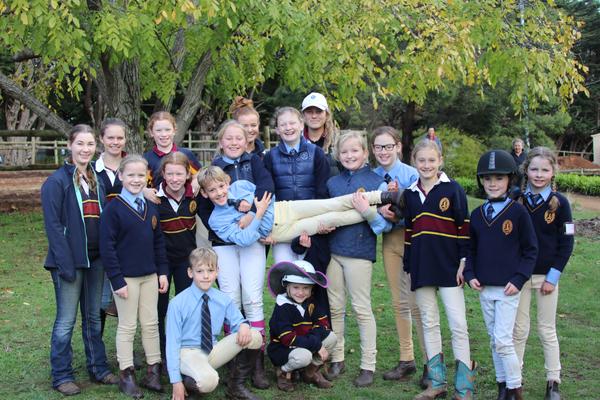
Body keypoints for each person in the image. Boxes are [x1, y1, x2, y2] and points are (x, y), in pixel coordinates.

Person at [41, 124, 119, 396]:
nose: (85, 149)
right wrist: (65, 265)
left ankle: (98, 367)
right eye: (80, 144)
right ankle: (62, 375)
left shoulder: (95, 179)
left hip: (95, 260)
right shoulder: (57, 182)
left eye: (90, 144)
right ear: (70, 145)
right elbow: (53, 226)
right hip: (69, 262)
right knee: (66, 321)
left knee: (93, 318)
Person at [402, 139, 476, 400]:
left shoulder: (453, 189)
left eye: (431, 160)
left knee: (458, 325)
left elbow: (464, 228)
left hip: (449, 268)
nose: (426, 165)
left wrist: (464, 263)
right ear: (414, 161)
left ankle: (464, 387)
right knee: (429, 323)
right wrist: (408, 265)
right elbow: (409, 233)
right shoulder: (410, 194)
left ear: (440, 161)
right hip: (421, 268)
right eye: (421, 160)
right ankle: (436, 383)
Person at [463, 149, 538, 400]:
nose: (492, 183)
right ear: (481, 181)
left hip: (508, 288)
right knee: (494, 340)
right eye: (487, 178)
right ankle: (502, 387)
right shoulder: (477, 215)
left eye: (499, 178)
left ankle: (515, 389)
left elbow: (531, 250)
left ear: (510, 180)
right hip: (485, 288)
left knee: (504, 341)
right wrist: (470, 273)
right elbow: (471, 249)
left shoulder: (518, 213)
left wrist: (519, 279)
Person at [323, 131, 393, 387]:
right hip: (333, 252)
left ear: (365, 153)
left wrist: (367, 212)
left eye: (355, 151)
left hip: (359, 253)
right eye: (344, 152)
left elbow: (384, 226)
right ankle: (337, 358)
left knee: (361, 309)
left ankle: (368, 365)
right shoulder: (333, 183)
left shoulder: (377, 182)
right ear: (338, 155)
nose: (349, 155)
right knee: (335, 307)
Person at [99, 155, 170, 398]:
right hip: (126, 279)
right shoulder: (113, 209)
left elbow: (158, 242)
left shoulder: (150, 207)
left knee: (151, 323)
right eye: (130, 175)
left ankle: (153, 370)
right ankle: (126, 374)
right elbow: (107, 248)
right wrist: (116, 280)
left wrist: (162, 271)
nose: (136, 180)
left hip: (150, 275)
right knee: (128, 325)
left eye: (141, 175)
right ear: (121, 176)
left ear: (147, 177)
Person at [513, 147, 575, 400]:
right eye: (534, 169)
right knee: (518, 330)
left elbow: (567, 242)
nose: (539, 174)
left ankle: (553, 381)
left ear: (553, 172)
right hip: (519, 277)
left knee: (547, 329)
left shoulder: (561, 203)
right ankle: (514, 380)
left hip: (547, 277)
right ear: (526, 170)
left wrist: (553, 276)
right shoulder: (515, 198)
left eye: (545, 170)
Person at [370, 126, 428, 388]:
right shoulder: (371, 176)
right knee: (398, 302)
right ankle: (407, 358)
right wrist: (378, 212)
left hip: (412, 240)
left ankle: (430, 362)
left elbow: (424, 210)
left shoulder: (412, 174)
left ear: (398, 147)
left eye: (388, 146)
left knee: (418, 303)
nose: (383, 151)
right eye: (378, 147)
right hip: (390, 243)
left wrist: (400, 214)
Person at [166, 247, 263, 400]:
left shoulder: (222, 299)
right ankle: (188, 381)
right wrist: (175, 382)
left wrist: (244, 325)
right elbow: (172, 344)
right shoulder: (177, 303)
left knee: (254, 336)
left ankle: (235, 387)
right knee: (209, 381)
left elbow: (238, 320)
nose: (205, 276)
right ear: (190, 272)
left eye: (210, 271)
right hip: (187, 352)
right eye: (200, 271)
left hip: (212, 349)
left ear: (217, 271)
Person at [263, 106, 330, 263]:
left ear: (301, 125)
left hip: (310, 222)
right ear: (277, 130)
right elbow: (268, 193)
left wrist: (322, 219)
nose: (288, 128)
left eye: (292, 123)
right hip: (283, 223)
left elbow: (322, 189)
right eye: (283, 124)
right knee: (285, 269)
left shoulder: (316, 153)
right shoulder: (270, 157)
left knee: (309, 272)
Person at [266, 260, 337, 392]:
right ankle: (283, 371)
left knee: (331, 337)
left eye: (306, 288)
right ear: (286, 286)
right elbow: (288, 339)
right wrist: (316, 344)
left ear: (311, 289)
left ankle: (310, 372)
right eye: (296, 287)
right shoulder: (282, 308)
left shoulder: (311, 303)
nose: (301, 292)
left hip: (305, 343)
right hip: (283, 349)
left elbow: (323, 325)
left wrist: (314, 340)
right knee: (304, 356)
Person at [155, 152, 196, 364]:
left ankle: (184, 349)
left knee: (185, 306)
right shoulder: (154, 198)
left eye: (179, 174)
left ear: (188, 174)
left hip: (185, 261)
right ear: (163, 174)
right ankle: (161, 353)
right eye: (170, 174)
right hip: (160, 262)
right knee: (159, 308)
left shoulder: (195, 196)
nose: (174, 179)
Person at [95, 118, 127, 330]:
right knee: (101, 297)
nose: (115, 142)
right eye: (111, 137)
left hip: (128, 239)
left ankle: (127, 342)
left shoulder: (134, 166)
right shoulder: (92, 169)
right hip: (101, 238)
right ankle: (95, 344)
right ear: (102, 139)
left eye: (120, 138)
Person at [143, 111, 202, 203]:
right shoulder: (146, 159)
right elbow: (138, 182)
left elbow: (200, 172)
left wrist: (196, 180)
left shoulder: (186, 154)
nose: (164, 134)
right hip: (159, 206)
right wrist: (144, 191)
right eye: (158, 130)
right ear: (151, 132)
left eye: (167, 130)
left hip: (185, 205)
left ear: (174, 130)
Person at [301, 92, 340, 177]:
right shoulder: (295, 143)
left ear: (326, 114)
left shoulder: (338, 141)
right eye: (309, 112)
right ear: (303, 115)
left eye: (319, 112)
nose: (314, 116)